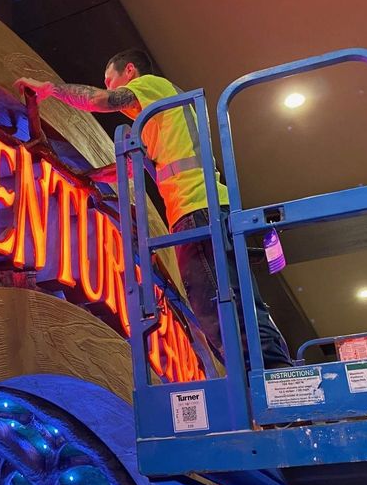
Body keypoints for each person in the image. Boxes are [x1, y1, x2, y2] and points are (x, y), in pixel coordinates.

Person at [15, 49, 292, 370]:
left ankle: (272, 383)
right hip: (208, 207)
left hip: (196, 208)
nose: (107, 84)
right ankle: (277, 379)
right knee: (235, 301)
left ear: (129, 71)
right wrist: (84, 176)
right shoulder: (158, 117)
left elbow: (104, 101)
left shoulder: (152, 87)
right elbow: (134, 165)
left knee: (218, 304)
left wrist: (49, 89)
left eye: (110, 78)